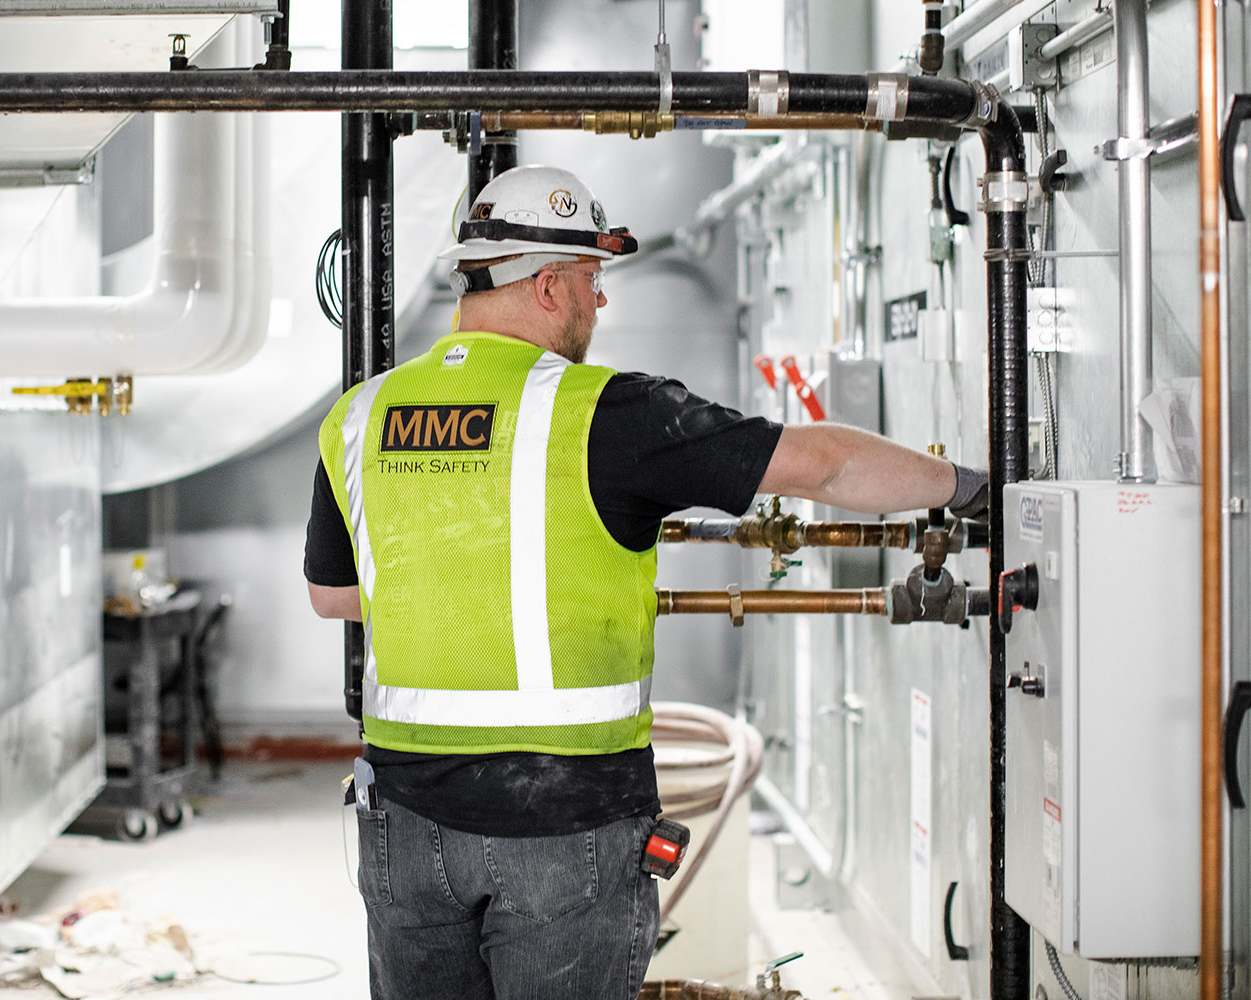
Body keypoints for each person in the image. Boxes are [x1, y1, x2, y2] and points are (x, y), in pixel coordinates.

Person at [303, 165, 988, 1000]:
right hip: (564, 823)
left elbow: (335, 595)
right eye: (593, 280)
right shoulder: (608, 412)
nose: (600, 303)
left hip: (402, 823)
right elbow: (824, 464)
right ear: (549, 284)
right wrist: (968, 488)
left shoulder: (362, 413)